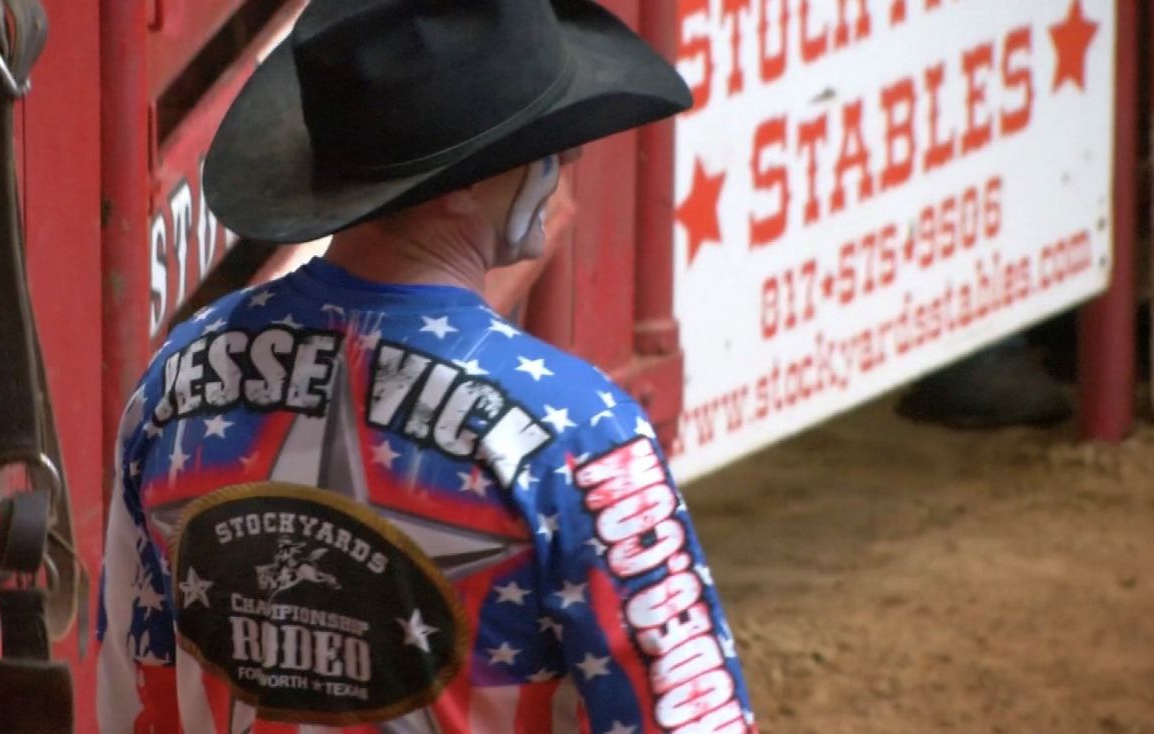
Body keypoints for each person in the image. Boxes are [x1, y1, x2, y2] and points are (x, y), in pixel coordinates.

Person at [97, 0, 754, 731]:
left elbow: (134, 692)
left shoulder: (173, 387)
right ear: (462, 185)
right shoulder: (584, 441)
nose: (567, 158)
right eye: (545, 139)